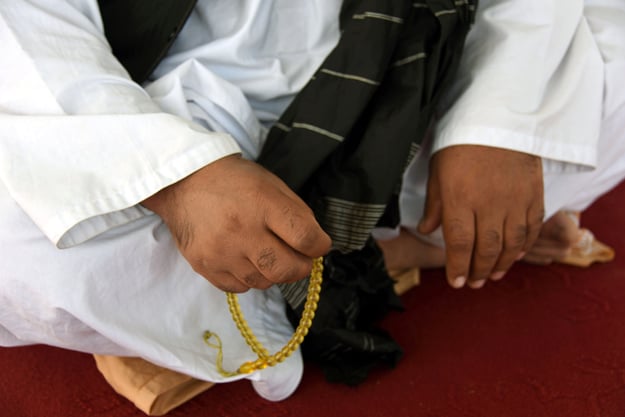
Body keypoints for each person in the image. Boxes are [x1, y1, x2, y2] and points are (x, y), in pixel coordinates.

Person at [1, 0, 624, 402]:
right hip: (164, 98)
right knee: (18, 250)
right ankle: (388, 248)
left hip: (408, 64)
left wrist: (496, 122)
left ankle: (261, 283)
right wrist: (176, 177)